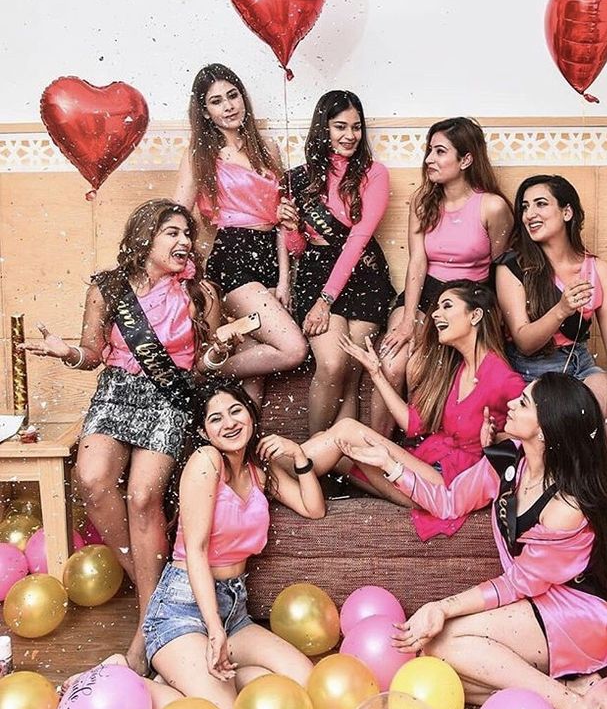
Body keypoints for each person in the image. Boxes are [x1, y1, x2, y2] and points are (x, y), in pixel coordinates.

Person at [22, 199, 257, 676]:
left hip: (170, 398)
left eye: (187, 234)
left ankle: (146, 628)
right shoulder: (107, 288)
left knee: (144, 496)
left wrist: (224, 346)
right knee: (90, 479)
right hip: (117, 389)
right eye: (172, 232)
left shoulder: (200, 294)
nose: (184, 241)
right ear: (145, 237)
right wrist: (67, 352)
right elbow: (92, 354)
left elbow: (205, 364)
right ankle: (157, 597)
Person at [342, 373, 607, 709]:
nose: (511, 404)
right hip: (533, 601)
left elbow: (519, 584)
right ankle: (570, 690)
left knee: (443, 644)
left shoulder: (566, 507)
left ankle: (572, 708)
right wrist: (391, 465)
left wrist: (441, 607)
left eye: (524, 403)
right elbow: (447, 502)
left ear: (546, 431)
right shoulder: (509, 461)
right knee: (442, 666)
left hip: (573, 613)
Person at [495, 174, 607, 599]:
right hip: (534, 375)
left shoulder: (599, 270)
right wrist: (561, 308)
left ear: (567, 211)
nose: (530, 215)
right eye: (524, 207)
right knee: (595, 437)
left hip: (580, 366)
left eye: (541, 204)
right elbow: (523, 339)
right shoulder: (513, 267)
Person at [137, 379, 322, 709]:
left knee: (306, 683)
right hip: (183, 610)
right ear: (205, 432)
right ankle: (125, 677)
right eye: (216, 418)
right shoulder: (206, 461)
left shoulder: (259, 472)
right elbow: (196, 550)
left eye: (236, 411)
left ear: (251, 416)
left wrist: (298, 455)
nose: (230, 422)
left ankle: (179, 679)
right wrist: (213, 628)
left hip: (234, 611)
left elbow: (314, 508)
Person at [298, 281, 525, 539]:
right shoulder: (457, 370)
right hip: (427, 466)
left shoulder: (504, 378)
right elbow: (412, 424)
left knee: (348, 430)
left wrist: (496, 441)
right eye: (437, 307)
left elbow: (534, 436)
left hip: (450, 488)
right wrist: (376, 373)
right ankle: (271, 477)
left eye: (447, 306)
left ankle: (268, 475)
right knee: (326, 445)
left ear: (475, 315)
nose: (436, 314)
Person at [175, 63, 308, 403]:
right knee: (293, 349)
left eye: (232, 96)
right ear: (205, 112)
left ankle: (246, 453)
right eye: (216, 101)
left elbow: (280, 219)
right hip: (234, 255)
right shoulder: (200, 156)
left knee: (257, 373)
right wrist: (180, 268)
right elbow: (177, 214)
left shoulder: (267, 149)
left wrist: (283, 281)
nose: (229, 106)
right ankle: (204, 368)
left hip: (268, 254)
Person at [373, 117, 513, 436]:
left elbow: (499, 269)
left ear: (465, 159)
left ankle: (422, 450)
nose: (429, 160)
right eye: (429, 151)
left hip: (470, 297)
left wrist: (495, 323)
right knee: (392, 363)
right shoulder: (422, 202)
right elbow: (417, 262)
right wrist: (409, 319)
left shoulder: (491, 207)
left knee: (419, 367)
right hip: (426, 292)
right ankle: (375, 447)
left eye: (439, 152)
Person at [280, 90, 395, 434]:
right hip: (316, 270)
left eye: (356, 127)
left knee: (350, 371)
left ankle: (341, 461)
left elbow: (357, 241)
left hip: (362, 272)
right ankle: (315, 456)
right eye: (340, 126)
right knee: (331, 363)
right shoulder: (298, 178)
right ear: (323, 128)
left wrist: (325, 301)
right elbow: (300, 248)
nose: (349, 136)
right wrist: (289, 229)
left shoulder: (375, 173)